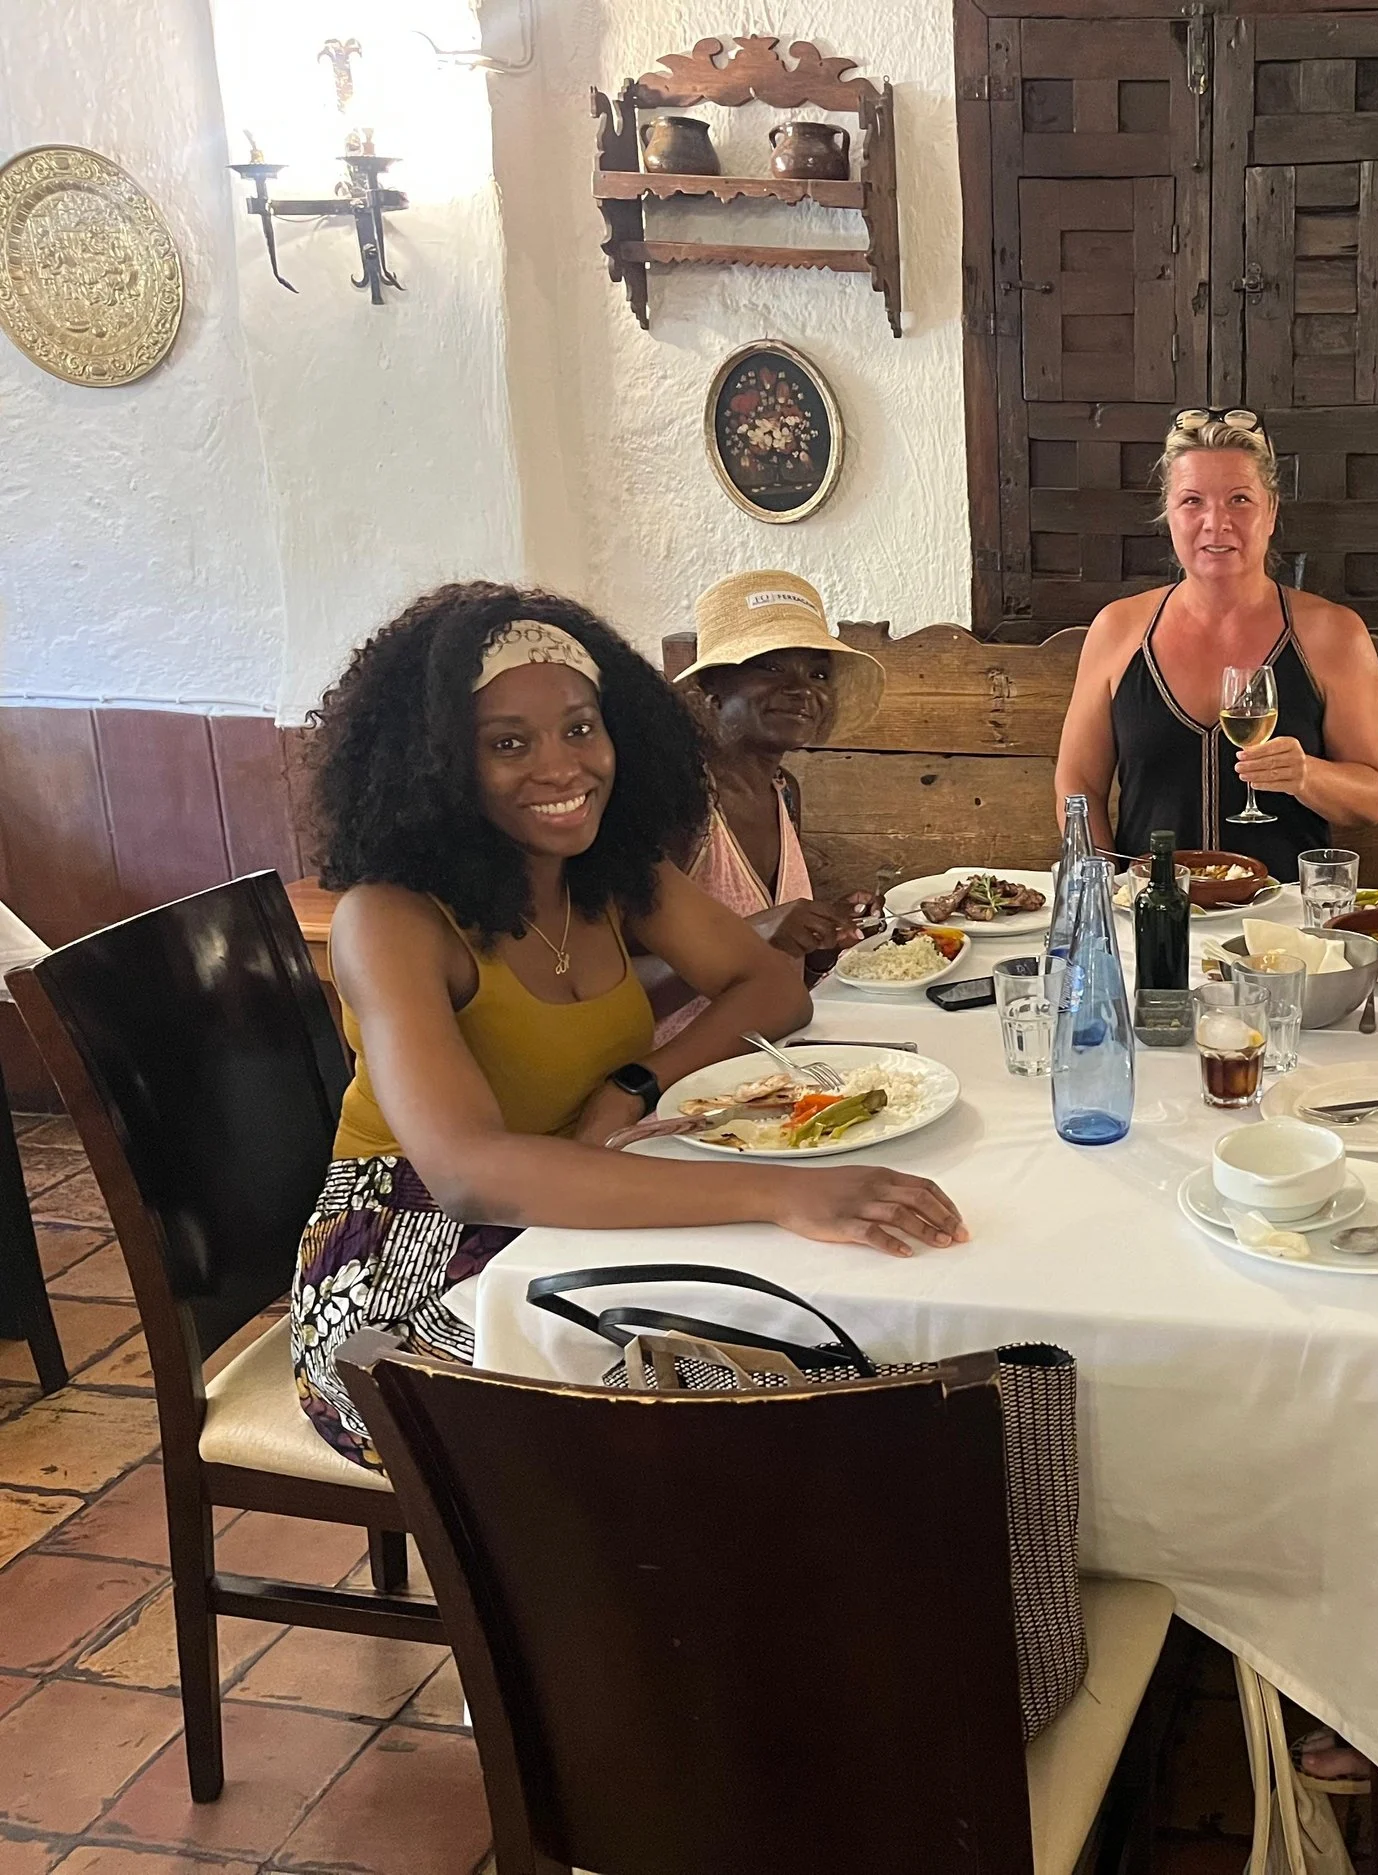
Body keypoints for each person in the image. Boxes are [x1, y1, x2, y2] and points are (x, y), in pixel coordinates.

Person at [292, 582, 965, 1467]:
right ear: (436, 764)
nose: (561, 767)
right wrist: (781, 1192)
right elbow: (469, 1172)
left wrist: (635, 1081)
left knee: (870, 1371)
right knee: (769, 1426)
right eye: (507, 743)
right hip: (404, 1282)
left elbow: (772, 985)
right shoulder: (391, 921)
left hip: (575, 1207)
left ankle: (998, 1579)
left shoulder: (608, 873)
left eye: (580, 727)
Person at [1052, 407, 1378, 876]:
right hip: (1153, 915)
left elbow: (1373, 797)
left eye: (1239, 500)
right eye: (1192, 501)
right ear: (1168, 514)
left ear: (1270, 512)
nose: (1216, 522)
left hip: (1282, 929)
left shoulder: (1334, 633)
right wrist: (1103, 896)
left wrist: (1307, 775)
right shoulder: (1118, 629)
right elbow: (1078, 786)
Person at [652, 569, 886, 1042]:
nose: (803, 690)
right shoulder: (677, 802)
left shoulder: (783, 790)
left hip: (775, 1061)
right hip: (680, 1082)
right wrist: (755, 935)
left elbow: (781, 962)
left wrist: (825, 936)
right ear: (712, 687)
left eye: (818, 673)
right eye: (772, 667)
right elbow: (612, 991)